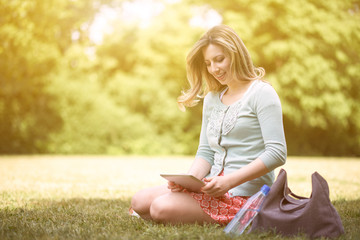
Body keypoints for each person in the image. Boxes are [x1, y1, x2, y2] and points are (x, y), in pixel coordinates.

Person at [130, 24, 287, 225]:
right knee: (139, 201)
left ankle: (225, 214)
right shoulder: (213, 98)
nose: (214, 69)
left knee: (160, 208)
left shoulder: (262, 94)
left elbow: (277, 152)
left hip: (246, 196)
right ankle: (182, 205)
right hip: (210, 187)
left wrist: (229, 181)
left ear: (236, 54)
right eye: (208, 63)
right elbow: (205, 152)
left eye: (219, 59)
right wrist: (188, 181)